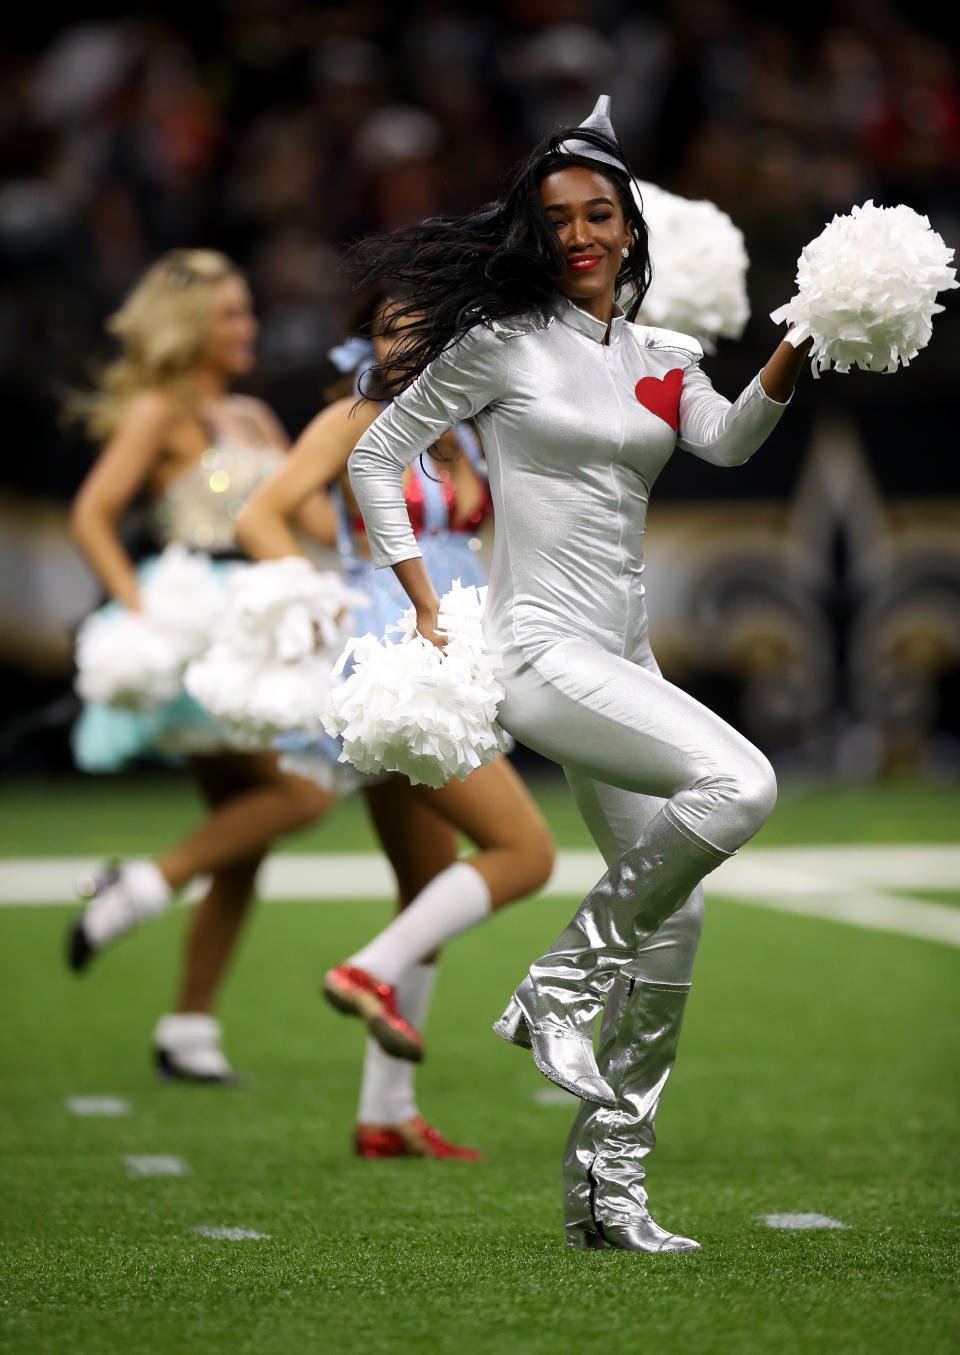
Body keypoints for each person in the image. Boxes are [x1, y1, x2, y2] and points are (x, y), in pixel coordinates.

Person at [341, 97, 813, 1251]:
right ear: (536, 235)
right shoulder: (503, 344)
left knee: (683, 917)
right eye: (558, 219)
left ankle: (609, 1192)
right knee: (740, 784)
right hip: (541, 651)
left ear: (631, 224)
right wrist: (417, 596)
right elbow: (374, 454)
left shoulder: (661, 356)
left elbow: (729, 440)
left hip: (625, 652)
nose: (582, 234)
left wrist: (800, 342)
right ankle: (555, 990)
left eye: (600, 212)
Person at [236, 295, 555, 1158]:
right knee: (527, 853)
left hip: (453, 652)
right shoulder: (356, 416)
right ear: (367, 341)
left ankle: (385, 1113)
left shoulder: (464, 422)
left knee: (429, 883)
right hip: (399, 656)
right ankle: (365, 968)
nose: (405, 343)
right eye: (389, 329)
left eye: (425, 327)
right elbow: (259, 515)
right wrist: (329, 595)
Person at [67, 249, 335, 1083]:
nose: (247, 328)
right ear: (191, 326)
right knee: (298, 792)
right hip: (200, 622)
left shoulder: (254, 415)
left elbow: (317, 518)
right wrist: (137, 612)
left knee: (249, 837)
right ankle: (143, 885)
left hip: (261, 616)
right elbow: (92, 515)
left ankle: (187, 1029)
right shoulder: (161, 411)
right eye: (230, 315)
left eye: (247, 312)